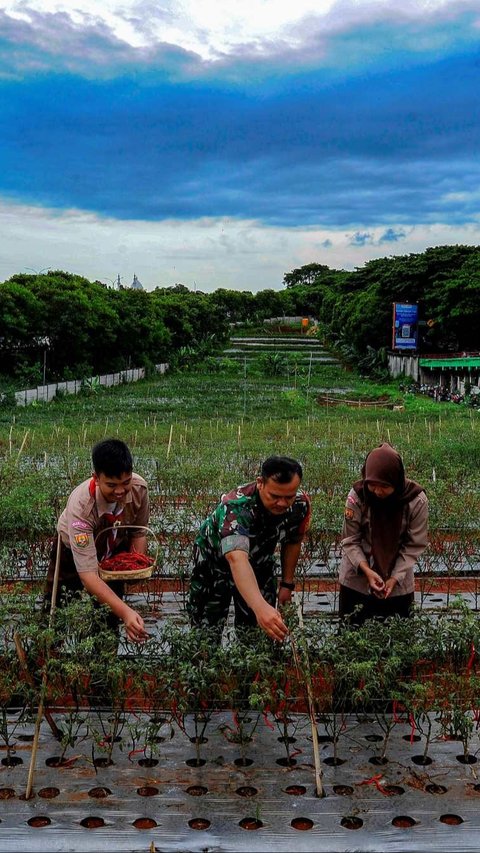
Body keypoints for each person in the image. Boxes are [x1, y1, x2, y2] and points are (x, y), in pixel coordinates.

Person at [187, 456, 311, 642]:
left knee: (258, 636)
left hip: (258, 563)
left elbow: (293, 541)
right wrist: (259, 607)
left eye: (289, 496)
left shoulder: (299, 505)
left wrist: (286, 584)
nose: (283, 504)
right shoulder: (236, 507)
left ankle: (255, 670)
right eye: (275, 496)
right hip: (214, 566)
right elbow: (236, 559)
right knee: (206, 634)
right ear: (260, 483)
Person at [44, 438, 150, 643]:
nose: (120, 491)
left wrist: (135, 567)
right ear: (97, 478)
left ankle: (104, 662)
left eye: (125, 482)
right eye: (111, 485)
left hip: (114, 550)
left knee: (109, 618)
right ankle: (44, 660)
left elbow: (138, 532)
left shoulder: (139, 489)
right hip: (70, 552)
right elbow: (89, 576)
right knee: (56, 610)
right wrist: (128, 613)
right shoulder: (81, 506)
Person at [338, 442, 428, 626]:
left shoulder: (415, 500)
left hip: (398, 584)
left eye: (384, 486)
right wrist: (367, 571)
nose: (377, 492)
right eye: (372, 485)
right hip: (357, 581)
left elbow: (414, 544)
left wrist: (394, 578)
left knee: (397, 642)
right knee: (352, 639)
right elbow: (350, 540)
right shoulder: (357, 496)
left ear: (396, 480)